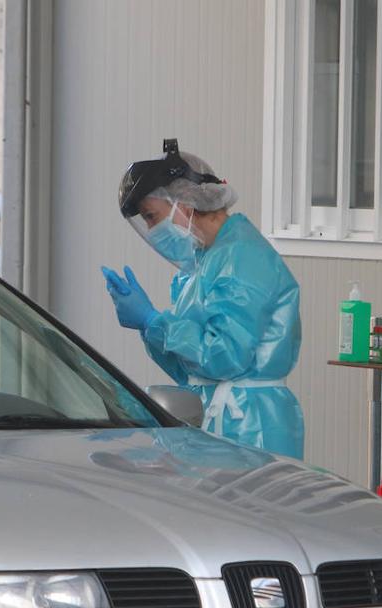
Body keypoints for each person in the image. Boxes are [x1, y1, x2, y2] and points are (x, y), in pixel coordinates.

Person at [103, 139, 304, 458]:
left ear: (184, 204)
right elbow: (191, 369)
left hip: (251, 428)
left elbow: (225, 357)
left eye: (152, 216)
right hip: (218, 419)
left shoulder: (242, 258)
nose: (152, 229)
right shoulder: (201, 264)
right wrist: (148, 327)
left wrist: (155, 321)